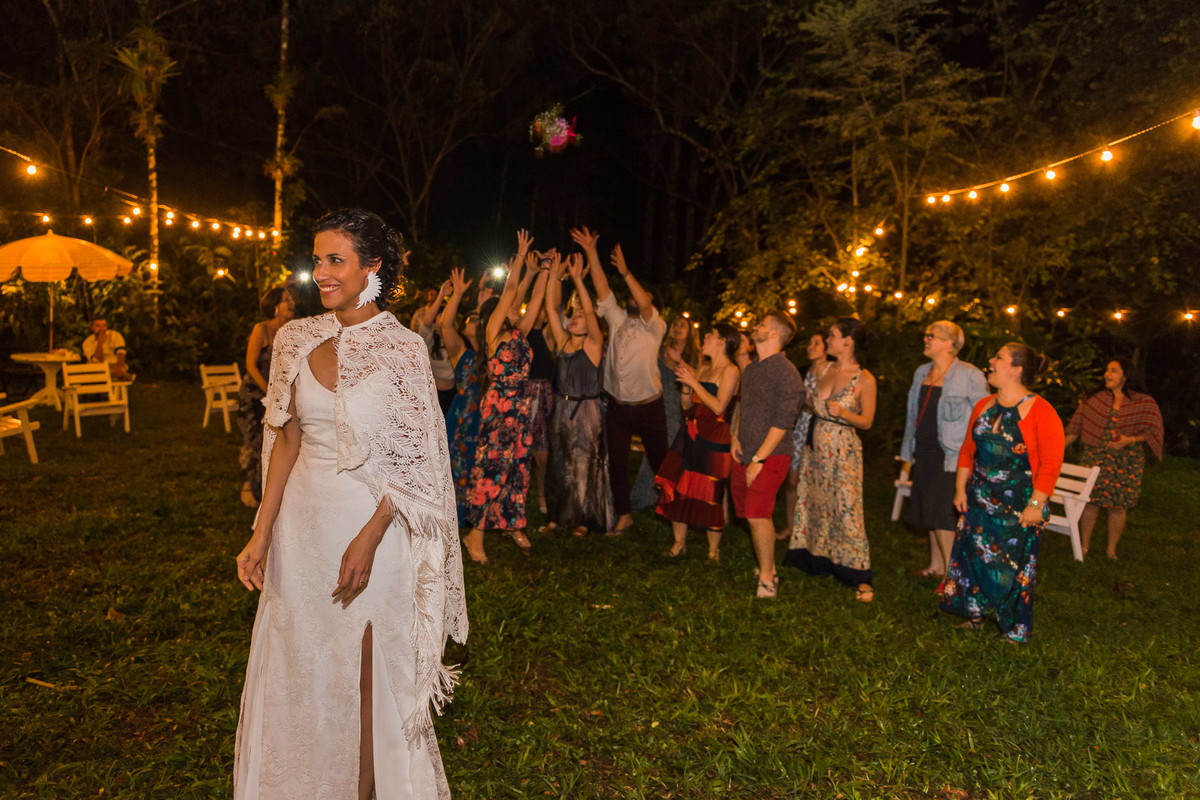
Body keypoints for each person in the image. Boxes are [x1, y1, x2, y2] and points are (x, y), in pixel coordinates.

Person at [233, 208, 466, 799]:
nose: (321, 273)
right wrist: (261, 533)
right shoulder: (295, 339)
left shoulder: (404, 350)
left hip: (374, 533)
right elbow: (285, 439)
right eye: (317, 259)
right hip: (301, 533)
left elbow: (417, 463)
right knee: (304, 666)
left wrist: (371, 532)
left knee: (370, 674)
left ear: (373, 268)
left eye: (336, 260)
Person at [942, 343, 1064, 643]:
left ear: (1017, 368)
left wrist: (1036, 504)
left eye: (999, 358)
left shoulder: (1041, 411)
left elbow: (1050, 464)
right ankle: (974, 615)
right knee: (973, 557)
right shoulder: (983, 406)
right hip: (980, 498)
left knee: (1014, 567)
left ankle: (1016, 628)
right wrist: (960, 489)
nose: (991, 361)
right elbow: (968, 450)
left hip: (1020, 505)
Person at [572, 225, 668, 536]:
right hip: (617, 406)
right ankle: (624, 514)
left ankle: (675, 511)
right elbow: (603, 292)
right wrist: (591, 252)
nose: (635, 299)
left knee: (660, 462)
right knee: (617, 463)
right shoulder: (618, 320)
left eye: (643, 298)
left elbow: (644, 302)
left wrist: (627, 273)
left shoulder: (656, 327)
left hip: (649, 407)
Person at [461, 233, 550, 563]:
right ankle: (476, 534)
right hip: (499, 409)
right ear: (494, 312)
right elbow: (512, 290)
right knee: (492, 470)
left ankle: (512, 522)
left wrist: (544, 269)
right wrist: (521, 256)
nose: (514, 304)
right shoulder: (494, 333)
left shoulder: (519, 332)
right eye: (506, 304)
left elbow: (536, 298)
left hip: (521, 409)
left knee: (516, 470)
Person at [784, 317, 878, 603]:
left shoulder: (864, 378)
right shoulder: (823, 369)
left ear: (848, 341)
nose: (828, 340)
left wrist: (845, 413)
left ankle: (858, 574)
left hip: (843, 450)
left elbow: (867, 422)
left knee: (846, 509)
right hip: (815, 447)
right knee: (816, 503)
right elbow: (811, 402)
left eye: (833, 336)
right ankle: (816, 560)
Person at [898, 321, 988, 579]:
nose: (926, 339)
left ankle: (953, 576)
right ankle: (936, 566)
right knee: (929, 509)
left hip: (952, 456)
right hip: (924, 451)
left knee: (941, 513)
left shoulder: (969, 375)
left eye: (932, 336)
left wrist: (977, 455)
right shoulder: (921, 372)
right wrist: (908, 452)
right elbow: (912, 415)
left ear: (951, 343)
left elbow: (984, 416)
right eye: (926, 334)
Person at [731, 311, 804, 598]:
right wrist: (734, 436)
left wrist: (759, 459)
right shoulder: (750, 369)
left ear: (774, 334)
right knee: (748, 513)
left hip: (772, 455)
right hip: (744, 451)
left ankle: (766, 580)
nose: (755, 327)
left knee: (757, 514)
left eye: (761, 324)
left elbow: (784, 421)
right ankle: (769, 566)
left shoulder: (786, 372)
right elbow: (742, 407)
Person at [540, 252, 614, 536]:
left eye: (581, 316)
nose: (575, 318)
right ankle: (559, 518)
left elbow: (588, 309)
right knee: (560, 463)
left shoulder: (593, 344)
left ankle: (583, 520)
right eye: (574, 315)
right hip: (561, 409)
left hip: (587, 410)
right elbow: (552, 304)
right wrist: (557, 276)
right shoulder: (562, 341)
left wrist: (579, 280)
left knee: (584, 463)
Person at [1064, 357, 1164, 560]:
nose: (1107, 374)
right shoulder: (1095, 399)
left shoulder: (1143, 401)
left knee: (1118, 507)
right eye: (1107, 370)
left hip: (1126, 462)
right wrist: (1054, 449)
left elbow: (1153, 430)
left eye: (1113, 371)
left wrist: (1130, 440)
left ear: (1125, 376)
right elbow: (1075, 429)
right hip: (1096, 459)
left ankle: (1111, 550)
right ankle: (1083, 546)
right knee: (1091, 502)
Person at [656, 323, 741, 563]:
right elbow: (687, 406)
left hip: (715, 440)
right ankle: (678, 543)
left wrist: (693, 384)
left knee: (710, 494)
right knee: (677, 485)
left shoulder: (731, 371)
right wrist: (686, 387)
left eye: (710, 334)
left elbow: (718, 406)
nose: (704, 336)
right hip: (690, 435)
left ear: (722, 341)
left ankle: (714, 551)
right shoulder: (703, 368)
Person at [631, 314, 700, 511]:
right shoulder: (661, 350)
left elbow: (696, 377)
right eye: (676, 324)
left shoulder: (693, 356)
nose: (677, 328)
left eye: (682, 326)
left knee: (677, 455)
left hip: (683, 407)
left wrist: (679, 361)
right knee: (655, 451)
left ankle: (671, 495)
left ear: (690, 332)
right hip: (660, 404)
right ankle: (643, 497)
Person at [237, 287, 297, 508]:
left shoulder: (291, 331)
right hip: (254, 394)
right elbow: (250, 365)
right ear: (275, 306)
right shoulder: (261, 329)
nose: (291, 303)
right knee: (254, 439)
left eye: (292, 299)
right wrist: (269, 392)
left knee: (276, 441)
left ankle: (269, 487)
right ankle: (247, 485)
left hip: (277, 395)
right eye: (286, 300)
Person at [777, 331, 832, 540]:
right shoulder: (803, 372)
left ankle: (814, 529)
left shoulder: (831, 372)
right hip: (800, 428)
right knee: (792, 480)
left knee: (815, 481)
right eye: (810, 342)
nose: (810, 347)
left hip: (820, 429)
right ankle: (791, 528)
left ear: (826, 348)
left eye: (816, 343)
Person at [441, 267, 483, 527]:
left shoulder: (491, 353)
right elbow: (445, 324)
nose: (473, 322)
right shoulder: (460, 351)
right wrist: (457, 295)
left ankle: (475, 512)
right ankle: (454, 513)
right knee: (456, 462)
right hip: (460, 414)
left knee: (478, 463)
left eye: (478, 319)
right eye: (470, 320)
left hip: (483, 414)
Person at [415, 282, 458, 414]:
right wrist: (440, 296)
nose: (445, 319)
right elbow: (426, 323)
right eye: (441, 315)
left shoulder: (456, 340)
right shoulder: (429, 341)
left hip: (455, 395)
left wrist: (457, 294)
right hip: (434, 396)